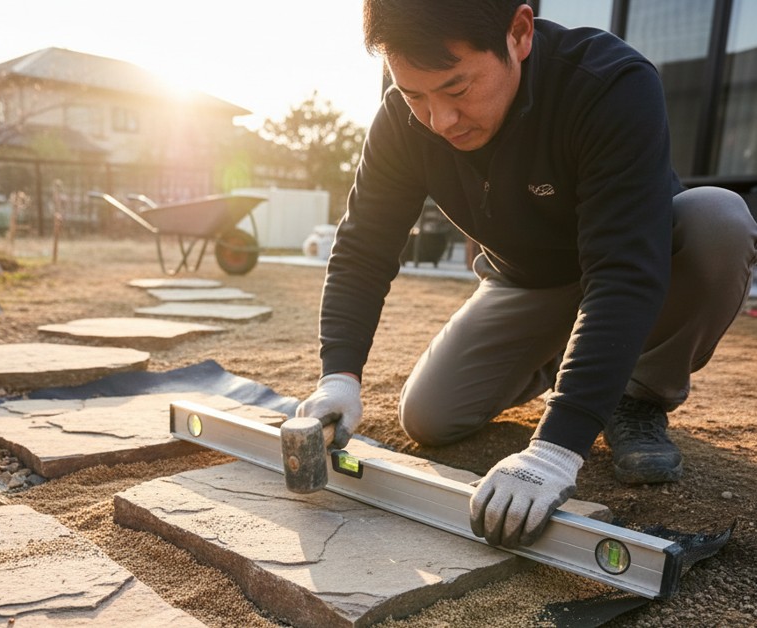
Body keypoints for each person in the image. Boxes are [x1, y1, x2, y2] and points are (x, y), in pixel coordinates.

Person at [296, 0, 757, 549]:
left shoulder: (609, 84)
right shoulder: (403, 119)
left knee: (719, 219)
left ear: (519, 33)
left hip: (633, 263)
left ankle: (637, 395)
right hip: (526, 280)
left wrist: (556, 449)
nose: (440, 121)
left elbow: (623, 272)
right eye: (414, 94)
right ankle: (580, 364)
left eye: (458, 89)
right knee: (429, 417)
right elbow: (363, 247)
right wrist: (339, 375)